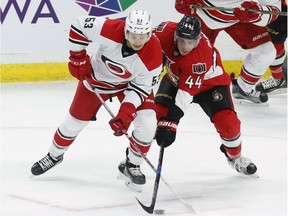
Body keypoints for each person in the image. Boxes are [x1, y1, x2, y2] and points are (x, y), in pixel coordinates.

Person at [30, 10, 163, 189]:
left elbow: (141, 88)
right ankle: (54, 155)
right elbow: (79, 25)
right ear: (126, 31)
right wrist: (77, 58)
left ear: (149, 33)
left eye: (142, 36)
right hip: (95, 80)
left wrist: (126, 113)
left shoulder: (154, 55)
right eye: (133, 35)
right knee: (72, 123)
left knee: (148, 125)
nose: (137, 41)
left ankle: (132, 164)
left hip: (129, 87)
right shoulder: (111, 28)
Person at [153, 15, 257, 175]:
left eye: (191, 42)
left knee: (228, 124)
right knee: (152, 119)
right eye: (181, 41)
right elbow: (144, 46)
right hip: (175, 80)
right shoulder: (163, 31)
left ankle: (235, 157)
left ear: (198, 39)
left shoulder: (200, 57)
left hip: (210, 86)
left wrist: (171, 123)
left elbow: (185, 95)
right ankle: (134, 159)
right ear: (175, 35)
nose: (185, 47)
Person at [175, 0, 281, 104]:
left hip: (240, 16)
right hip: (204, 14)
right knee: (187, 50)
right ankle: (176, 86)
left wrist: (257, 14)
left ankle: (243, 89)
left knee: (266, 52)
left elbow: (274, 9)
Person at [255, 0, 287, 93]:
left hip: (282, 11)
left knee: (275, 44)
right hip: (280, 10)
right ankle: (279, 78)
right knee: (273, 43)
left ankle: (279, 78)